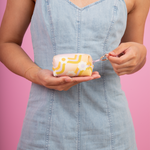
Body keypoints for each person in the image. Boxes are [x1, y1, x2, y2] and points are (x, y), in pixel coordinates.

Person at [0, 0, 149, 149]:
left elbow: (133, 51)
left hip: (111, 129)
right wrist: (35, 74)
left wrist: (140, 53)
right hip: (44, 124)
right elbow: (6, 42)